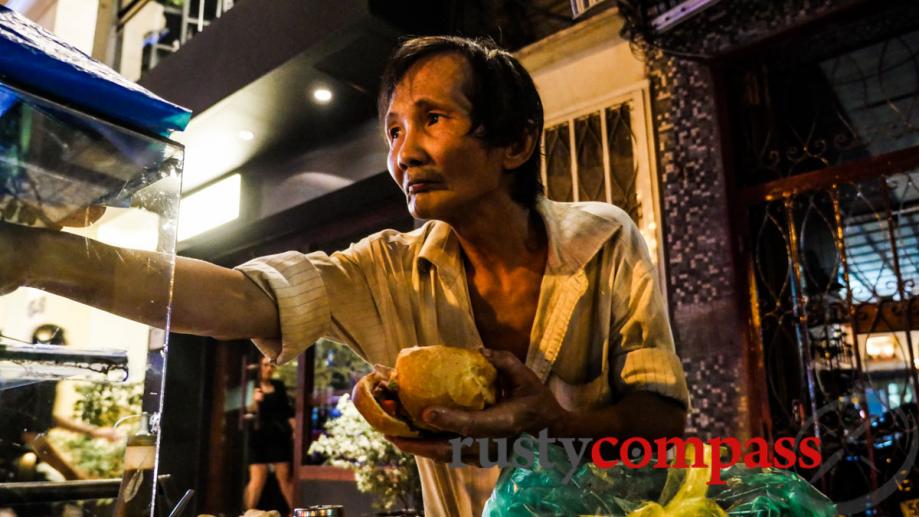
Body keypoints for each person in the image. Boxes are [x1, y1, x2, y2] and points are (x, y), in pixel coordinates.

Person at [0, 36, 689, 515]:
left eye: (432, 119)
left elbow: (663, 417)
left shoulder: (604, 241)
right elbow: (240, 297)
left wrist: (557, 423)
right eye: (392, 129)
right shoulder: (385, 266)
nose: (403, 152)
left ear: (514, 142)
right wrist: (36, 255)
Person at [244, 356, 295, 510]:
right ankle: (247, 513)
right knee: (258, 477)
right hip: (259, 436)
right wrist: (253, 400)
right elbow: (248, 410)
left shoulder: (278, 386)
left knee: (284, 477)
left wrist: (294, 431)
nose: (268, 369)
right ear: (259, 367)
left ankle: (295, 511)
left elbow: (287, 412)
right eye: (265, 365)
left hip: (278, 435)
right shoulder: (252, 387)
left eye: (271, 366)